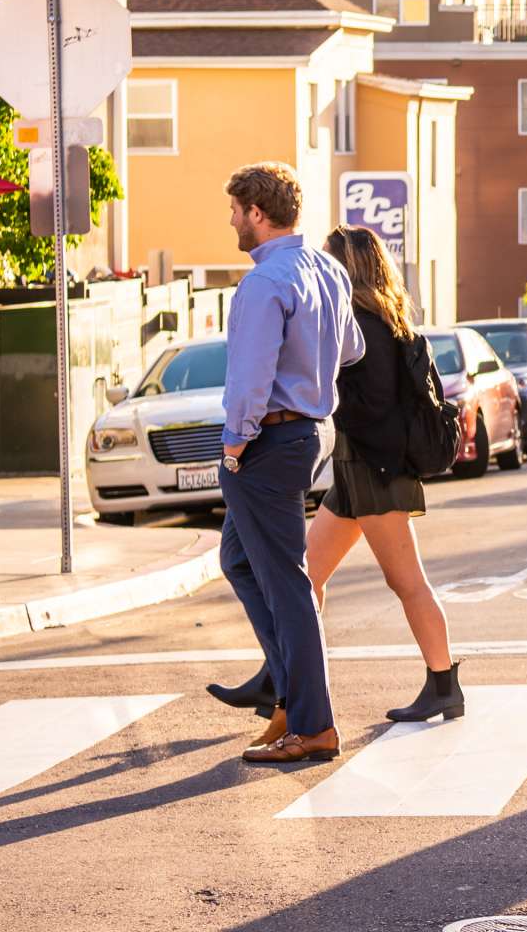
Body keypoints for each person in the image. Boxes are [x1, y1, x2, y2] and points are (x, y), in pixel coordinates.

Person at [210, 227, 465, 727]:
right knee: (308, 578)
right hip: (354, 473)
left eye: (330, 262)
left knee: (406, 581)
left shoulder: (367, 326)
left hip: (376, 470)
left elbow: (370, 407)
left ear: (348, 268)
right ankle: (279, 677)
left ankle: (444, 685)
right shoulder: (382, 320)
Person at [211, 162, 363, 765]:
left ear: (257, 212)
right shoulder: (327, 269)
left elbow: (250, 375)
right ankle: (287, 689)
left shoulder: (264, 281)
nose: (231, 222)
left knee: (288, 584)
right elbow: (351, 348)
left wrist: (234, 443)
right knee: (239, 559)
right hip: (307, 434)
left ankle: (313, 724)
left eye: (235, 211)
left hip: (268, 442)